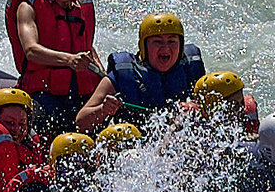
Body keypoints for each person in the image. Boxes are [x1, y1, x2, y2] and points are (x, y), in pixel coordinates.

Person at [4, 0, 101, 135]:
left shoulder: (76, 7)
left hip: (80, 94)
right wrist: (69, 60)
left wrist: (103, 78)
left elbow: (85, 46)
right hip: (44, 94)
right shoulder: (27, 7)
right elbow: (31, 50)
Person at [76, 12, 204, 130]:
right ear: (144, 46)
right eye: (157, 41)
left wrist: (199, 108)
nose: (165, 48)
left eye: (172, 41)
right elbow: (81, 121)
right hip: (137, 146)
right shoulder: (124, 75)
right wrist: (103, 109)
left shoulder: (192, 71)